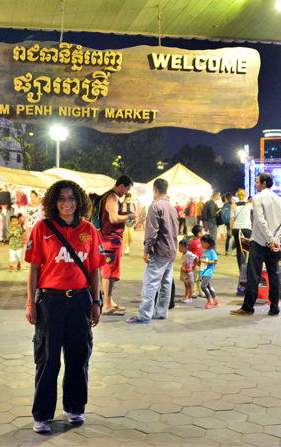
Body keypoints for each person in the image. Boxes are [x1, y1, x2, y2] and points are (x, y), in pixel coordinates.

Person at [25, 180, 105, 433]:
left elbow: (95, 270)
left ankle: (74, 407)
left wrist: (96, 301)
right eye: (61, 198)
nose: (66, 203)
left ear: (79, 201)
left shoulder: (89, 230)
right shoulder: (42, 228)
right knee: (48, 359)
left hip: (80, 301)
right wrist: (30, 302)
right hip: (50, 302)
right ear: (53, 202)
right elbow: (34, 269)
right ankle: (42, 414)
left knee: (79, 357)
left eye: (71, 198)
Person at [231, 172, 281, 317]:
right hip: (274, 245)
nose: (255, 185)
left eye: (257, 182)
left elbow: (261, 221)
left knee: (253, 276)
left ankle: (248, 307)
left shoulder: (258, 197)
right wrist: (275, 240)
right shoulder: (280, 200)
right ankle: (274, 308)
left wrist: (270, 240)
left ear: (264, 184)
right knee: (274, 276)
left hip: (260, 242)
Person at [126, 179, 178, 324]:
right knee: (166, 284)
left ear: (155, 189)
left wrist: (146, 250)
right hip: (171, 250)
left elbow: (152, 232)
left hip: (160, 250)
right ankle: (161, 312)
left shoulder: (155, 207)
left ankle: (144, 315)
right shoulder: (171, 207)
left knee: (151, 283)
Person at [99, 175, 136, 316]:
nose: (127, 192)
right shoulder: (112, 198)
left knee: (112, 272)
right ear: (121, 186)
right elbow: (114, 218)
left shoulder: (109, 197)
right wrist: (128, 217)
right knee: (108, 273)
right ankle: (107, 305)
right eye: (127, 189)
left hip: (110, 239)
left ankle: (110, 301)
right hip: (110, 240)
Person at [230, 189, 252, 274]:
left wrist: (231, 230)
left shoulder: (234, 206)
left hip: (237, 228)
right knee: (247, 249)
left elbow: (232, 219)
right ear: (245, 195)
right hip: (247, 228)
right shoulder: (249, 205)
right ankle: (246, 268)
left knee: (239, 249)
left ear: (237, 195)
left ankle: (241, 269)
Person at [198, 235, 219, 309]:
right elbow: (202, 260)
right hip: (203, 270)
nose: (202, 244)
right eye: (202, 242)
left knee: (203, 286)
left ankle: (209, 301)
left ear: (209, 243)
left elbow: (215, 261)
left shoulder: (212, 251)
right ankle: (215, 299)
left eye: (204, 242)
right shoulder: (204, 251)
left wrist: (206, 261)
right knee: (208, 286)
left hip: (208, 271)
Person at [178, 239, 197, 303]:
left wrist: (194, 266)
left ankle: (190, 297)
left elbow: (196, 258)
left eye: (181, 247)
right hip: (184, 271)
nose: (179, 248)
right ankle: (186, 296)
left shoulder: (189, 254)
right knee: (186, 285)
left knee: (190, 285)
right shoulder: (184, 254)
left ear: (186, 247)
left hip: (188, 272)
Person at [189, 224, 204, 298]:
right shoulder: (193, 243)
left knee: (201, 278)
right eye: (203, 231)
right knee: (195, 278)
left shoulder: (203, 242)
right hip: (196, 264)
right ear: (199, 234)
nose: (204, 233)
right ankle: (193, 292)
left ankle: (201, 292)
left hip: (203, 263)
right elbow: (192, 253)